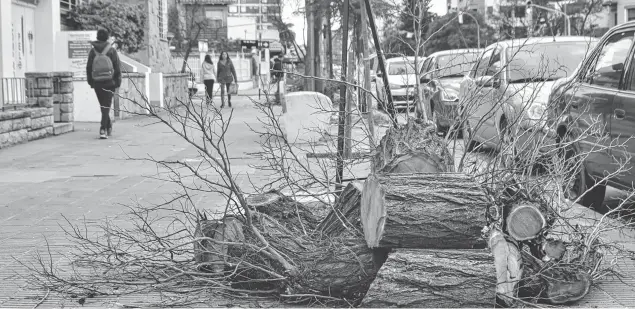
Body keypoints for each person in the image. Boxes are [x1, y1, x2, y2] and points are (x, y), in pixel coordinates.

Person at [86, 28, 121, 139]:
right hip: (109, 82)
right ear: (107, 37)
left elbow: (89, 68)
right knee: (105, 106)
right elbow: (117, 67)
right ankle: (103, 128)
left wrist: (91, 82)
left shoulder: (93, 51)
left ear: (97, 37)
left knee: (103, 106)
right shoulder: (111, 50)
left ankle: (108, 125)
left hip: (97, 82)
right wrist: (117, 82)